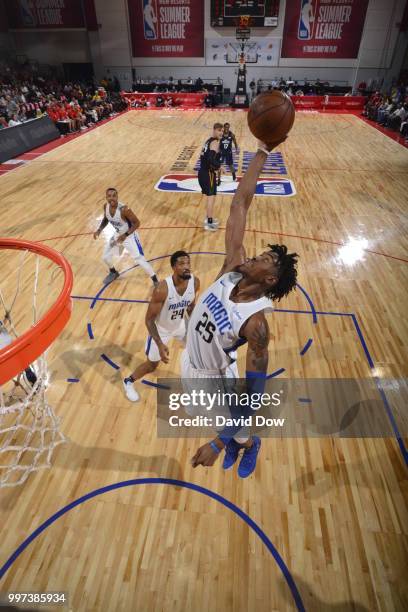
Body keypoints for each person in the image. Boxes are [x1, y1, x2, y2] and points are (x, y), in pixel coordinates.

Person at [182, 136, 298, 478]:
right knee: (198, 414)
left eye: (270, 260)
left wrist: (216, 445)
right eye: (266, 251)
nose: (262, 254)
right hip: (192, 362)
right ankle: (234, 440)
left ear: (270, 281)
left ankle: (247, 445)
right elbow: (239, 205)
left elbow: (253, 399)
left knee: (239, 424)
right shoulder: (233, 266)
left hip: (217, 378)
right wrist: (263, 150)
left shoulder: (257, 325)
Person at [123, 251, 200, 402]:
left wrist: (194, 325)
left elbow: (190, 306)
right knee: (152, 366)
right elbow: (149, 320)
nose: (186, 267)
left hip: (180, 325)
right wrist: (159, 343)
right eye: (181, 264)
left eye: (188, 263)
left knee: (197, 352)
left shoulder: (195, 282)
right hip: (161, 330)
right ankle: (128, 381)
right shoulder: (162, 289)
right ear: (173, 267)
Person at [93, 187, 159, 286]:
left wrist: (126, 235)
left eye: (114, 195)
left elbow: (137, 223)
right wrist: (99, 230)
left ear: (117, 196)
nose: (112, 198)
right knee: (105, 257)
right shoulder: (105, 206)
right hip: (118, 236)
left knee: (139, 259)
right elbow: (106, 219)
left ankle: (155, 280)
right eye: (109, 196)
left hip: (130, 236)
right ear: (106, 197)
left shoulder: (124, 209)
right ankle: (113, 272)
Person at [197, 123, 223, 231]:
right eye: (219, 130)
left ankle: (209, 218)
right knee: (211, 198)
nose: (221, 132)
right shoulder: (215, 142)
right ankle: (209, 222)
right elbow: (210, 159)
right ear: (214, 130)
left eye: (222, 131)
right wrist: (219, 167)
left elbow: (203, 156)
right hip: (208, 174)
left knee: (210, 197)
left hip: (203, 172)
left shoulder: (208, 141)